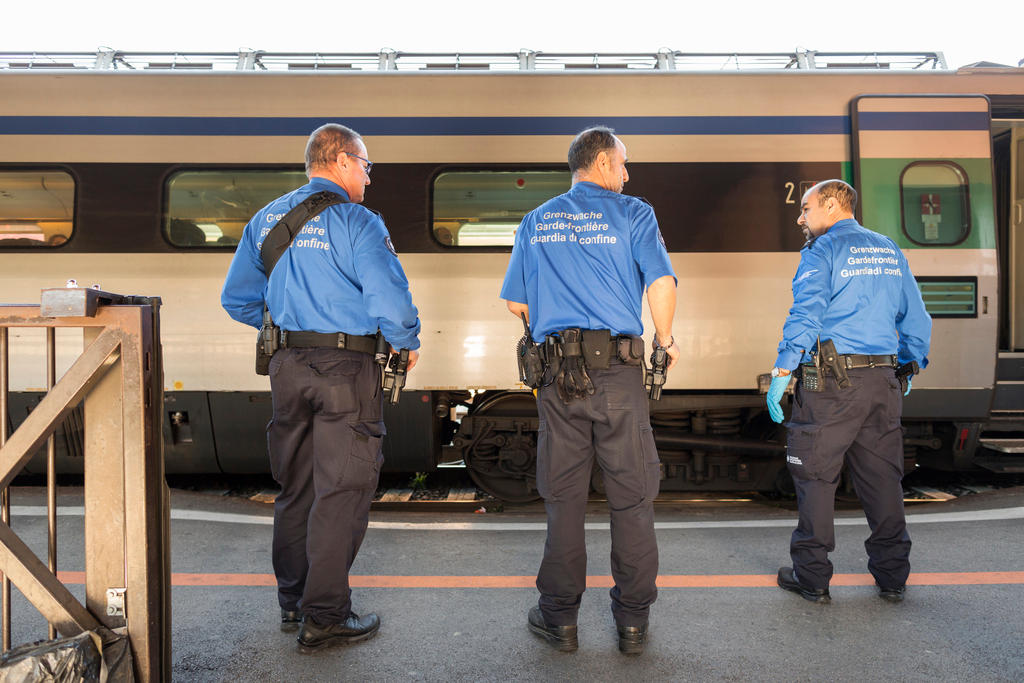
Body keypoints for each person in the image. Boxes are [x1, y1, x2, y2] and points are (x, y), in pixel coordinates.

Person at [221, 123, 420, 652]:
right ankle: (326, 617)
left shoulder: (265, 219)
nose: (369, 179)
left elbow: (238, 299)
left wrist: (288, 325)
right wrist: (406, 340)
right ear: (342, 160)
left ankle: (293, 602)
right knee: (342, 492)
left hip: (286, 367)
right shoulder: (358, 221)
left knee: (297, 489)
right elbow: (391, 302)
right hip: (345, 370)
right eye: (367, 167)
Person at [500, 126, 678, 655]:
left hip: (558, 378)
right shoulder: (634, 213)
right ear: (602, 163)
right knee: (632, 498)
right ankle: (632, 623)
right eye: (623, 164)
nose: (627, 174)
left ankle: (559, 619)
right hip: (619, 373)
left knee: (565, 499)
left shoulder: (536, 220)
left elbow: (515, 303)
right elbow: (662, 283)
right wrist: (664, 343)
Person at [766, 179, 931, 605]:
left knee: (816, 477)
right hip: (882, 382)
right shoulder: (888, 249)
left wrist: (784, 367)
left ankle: (813, 578)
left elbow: (807, 311)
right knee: (882, 481)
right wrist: (911, 364)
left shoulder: (822, 251)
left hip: (831, 386)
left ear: (833, 205)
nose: (800, 217)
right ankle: (893, 577)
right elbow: (916, 315)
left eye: (806, 208)